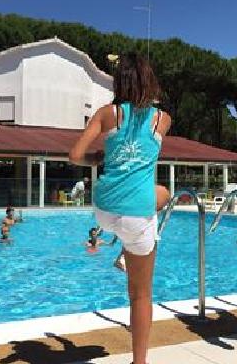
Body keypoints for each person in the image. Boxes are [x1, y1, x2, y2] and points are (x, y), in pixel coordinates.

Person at [70, 53, 171, 364]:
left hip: (104, 209)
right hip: (137, 214)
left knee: (157, 197)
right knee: (141, 295)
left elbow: (74, 155)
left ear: (119, 82)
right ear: (149, 82)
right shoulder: (162, 120)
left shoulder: (106, 114)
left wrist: (96, 159)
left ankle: (125, 250)